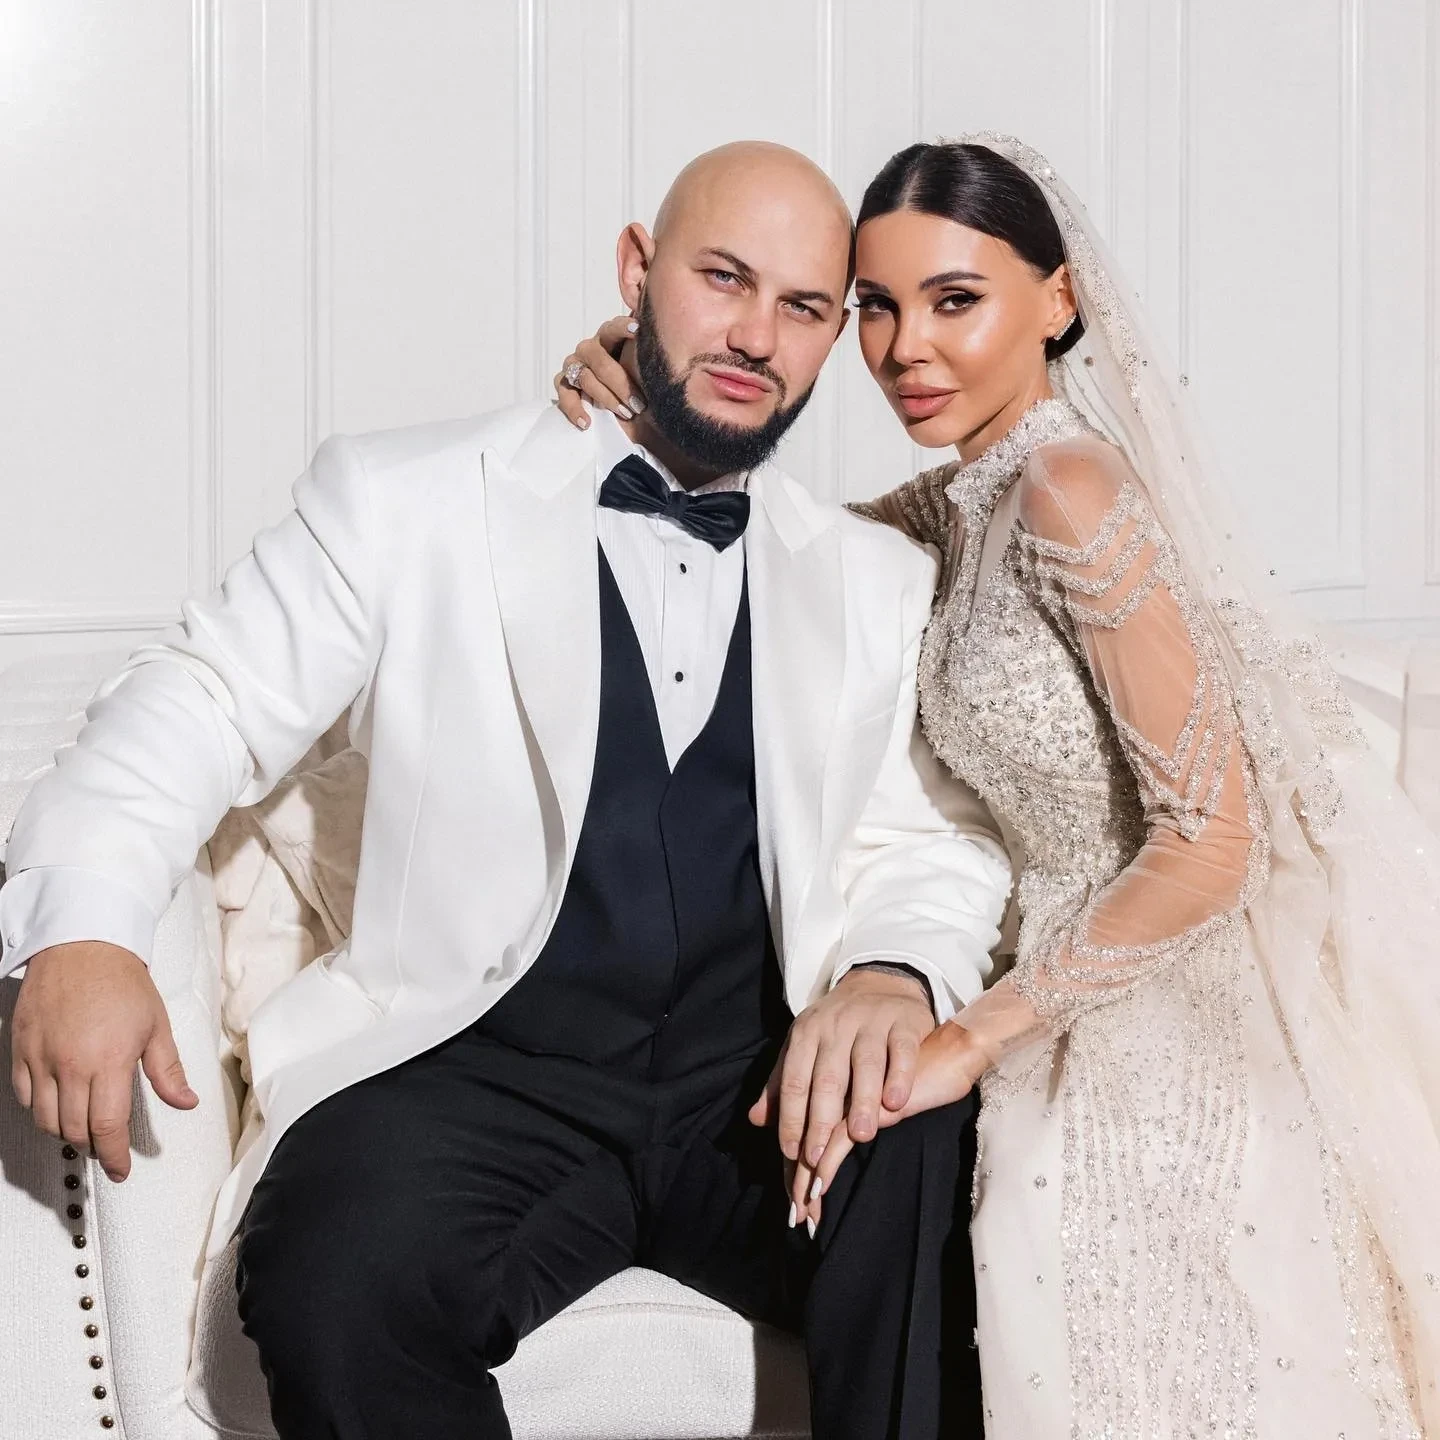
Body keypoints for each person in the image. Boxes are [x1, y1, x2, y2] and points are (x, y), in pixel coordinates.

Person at [0, 141, 1014, 1439]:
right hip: (474, 1071)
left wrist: (890, 971)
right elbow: (197, 698)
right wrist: (84, 927)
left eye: (804, 307)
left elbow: (936, 838)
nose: (757, 336)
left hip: (756, 1092)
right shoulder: (407, 500)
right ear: (637, 270)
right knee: (335, 1287)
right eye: (722, 279)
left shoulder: (872, 578)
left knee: (931, 1156)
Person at [554, 132, 1440, 1436]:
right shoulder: (963, 497)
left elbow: (1212, 840)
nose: (905, 349)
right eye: (874, 307)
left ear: (1058, 300)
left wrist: (967, 1038)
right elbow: (771, 545)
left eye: (954, 300)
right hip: (1030, 951)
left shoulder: (1071, 487)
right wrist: (644, 385)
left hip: (1157, 968)